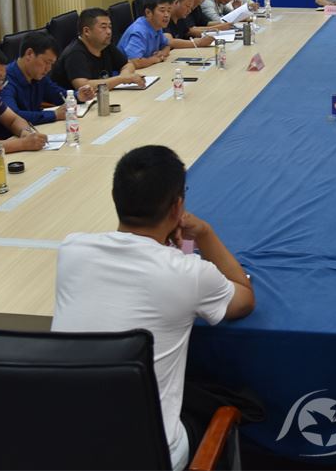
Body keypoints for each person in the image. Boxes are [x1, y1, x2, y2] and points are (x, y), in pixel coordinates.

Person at [52, 145, 254, 470]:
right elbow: (244, 297)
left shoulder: (72, 250)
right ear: (177, 207)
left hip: (65, 446)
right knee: (222, 403)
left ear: (115, 197)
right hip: (152, 455)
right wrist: (204, 234)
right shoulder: (188, 273)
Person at [0, 31, 94, 129]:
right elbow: (13, 116)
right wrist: (54, 115)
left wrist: (78, 96)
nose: (48, 69)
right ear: (29, 54)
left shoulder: (38, 76)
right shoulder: (5, 80)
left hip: (35, 130)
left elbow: (57, 95)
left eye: (51, 64)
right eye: (46, 62)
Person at [52, 7, 145, 91]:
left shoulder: (105, 45)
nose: (109, 32)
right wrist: (121, 79)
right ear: (86, 31)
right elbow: (83, 86)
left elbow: (128, 64)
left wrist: (125, 75)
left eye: (110, 27)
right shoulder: (75, 53)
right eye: (103, 27)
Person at [117, 0, 173, 69]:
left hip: (147, 68)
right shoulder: (139, 31)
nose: (167, 15)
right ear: (148, 13)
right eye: (162, 11)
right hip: (126, 72)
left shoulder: (157, 26)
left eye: (169, 11)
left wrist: (162, 53)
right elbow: (134, 61)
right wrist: (155, 59)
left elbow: (166, 45)